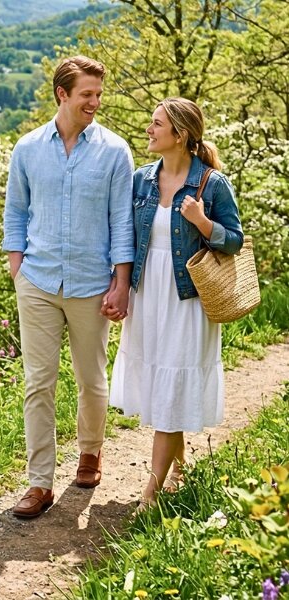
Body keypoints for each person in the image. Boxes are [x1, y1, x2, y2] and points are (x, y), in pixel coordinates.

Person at [2, 55, 135, 520]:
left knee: (91, 380)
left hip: (91, 285)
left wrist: (121, 283)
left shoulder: (115, 151)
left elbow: (122, 222)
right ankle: (39, 483)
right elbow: (16, 211)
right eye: (87, 95)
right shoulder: (28, 148)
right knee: (38, 382)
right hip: (37, 281)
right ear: (62, 94)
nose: (95, 103)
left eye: (99, 94)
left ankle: (90, 453)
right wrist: (17, 265)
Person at [109, 97, 244, 508]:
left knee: (172, 384)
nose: (148, 130)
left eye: (156, 124)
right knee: (162, 383)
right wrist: (120, 286)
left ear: (180, 134)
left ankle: (150, 492)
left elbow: (234, 239)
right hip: (150, 295)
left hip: (187, 300)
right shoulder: (142, 180)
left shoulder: (212, 183)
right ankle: (179, 467)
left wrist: (203, 223)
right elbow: (126, 238)